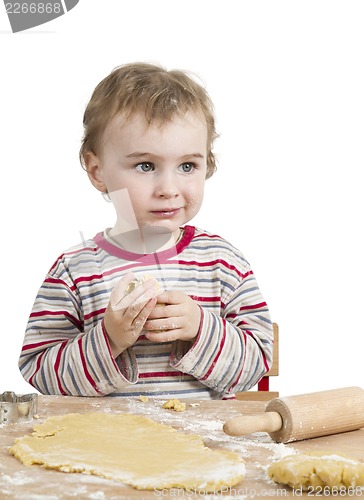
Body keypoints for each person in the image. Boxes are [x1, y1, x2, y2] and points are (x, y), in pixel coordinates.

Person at [19, 62, 273, 399]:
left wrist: (201, 327)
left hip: (205, 448)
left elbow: (257, 361)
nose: (168, 188)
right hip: (104, 448)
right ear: (97, 171)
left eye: (187, 166)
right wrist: (108, 338)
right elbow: (39, 371)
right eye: (146, 166)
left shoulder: (222, 263)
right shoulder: (74, 271)